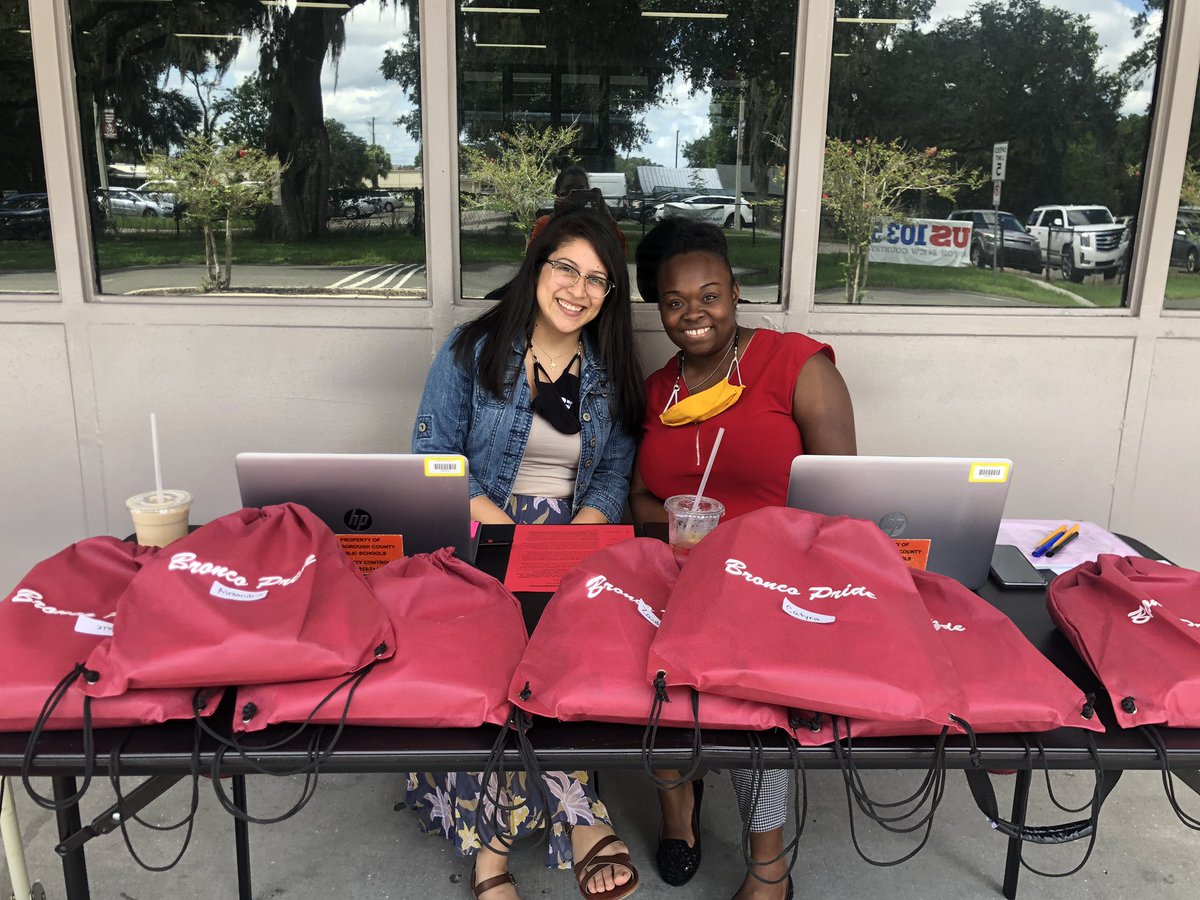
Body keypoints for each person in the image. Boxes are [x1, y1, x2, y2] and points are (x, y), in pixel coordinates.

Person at [409, 208, 644, 900]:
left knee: (554, 662)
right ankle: (571, 823)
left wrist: (576, 541)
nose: (578, 289)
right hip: (480, 532)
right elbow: (433, 459)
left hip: (572, 542)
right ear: (537, 266)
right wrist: (509, 537)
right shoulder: (471, 351)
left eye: (597, 280)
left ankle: (498, 854)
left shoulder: (607, 372)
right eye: (566, 267)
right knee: (502, 666)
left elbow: (611, 474)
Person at [630, 219, 856, 900]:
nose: (693, 313)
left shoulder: (794, 364)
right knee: (648, 667)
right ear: (660, 308)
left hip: (777, 573)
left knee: (755, 694)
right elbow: (641, 493)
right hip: (679, 567)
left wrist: (752, 544)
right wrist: (670, 519)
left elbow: (841, 490)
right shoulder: (657, 390)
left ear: (735, 291)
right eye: (675, 301)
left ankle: (768, 868)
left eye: (710, 295)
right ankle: (680, 810)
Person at [529, 165, 628, 254]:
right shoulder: (544, 223)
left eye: (580, 189)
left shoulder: (595, 224)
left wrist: (603, 209)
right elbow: (532, 255)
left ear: (588, 191)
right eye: (568, 190)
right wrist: (556, 218)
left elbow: (621, 250)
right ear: (557, 193)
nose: (575, 195)